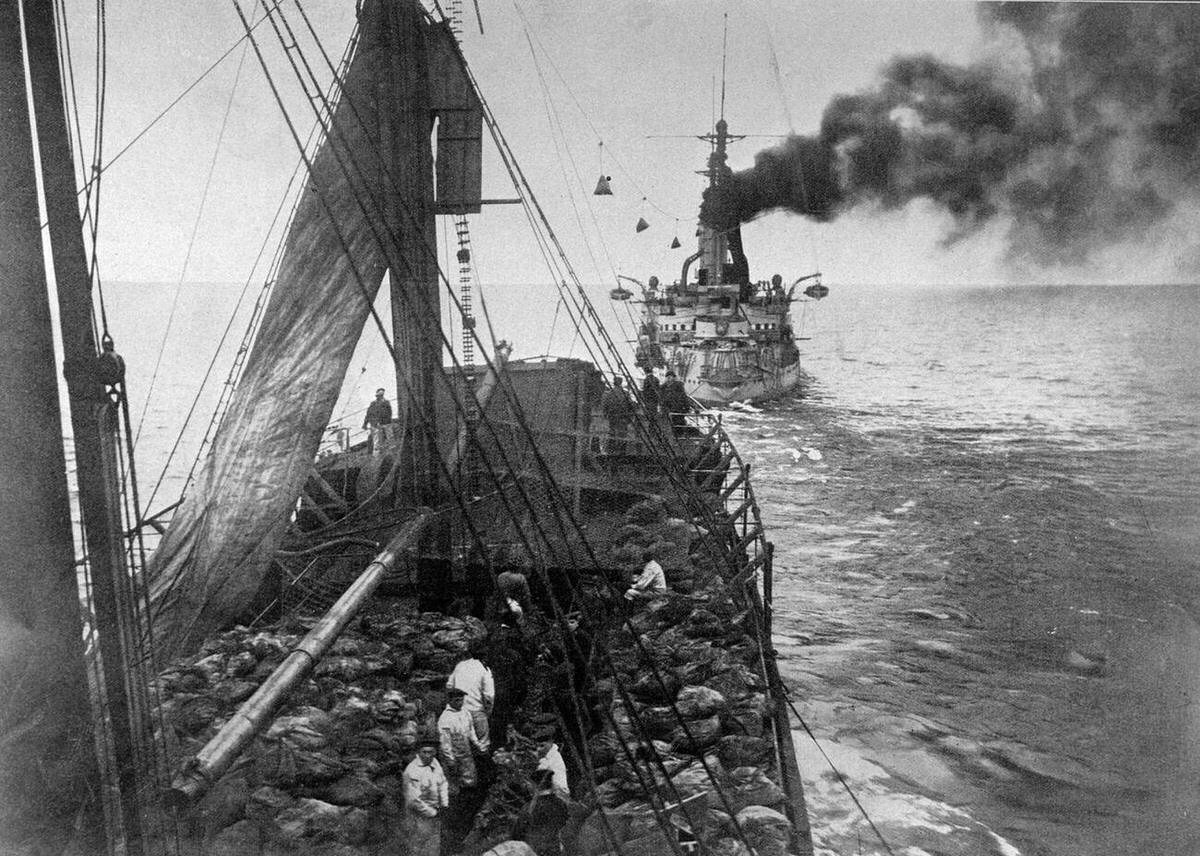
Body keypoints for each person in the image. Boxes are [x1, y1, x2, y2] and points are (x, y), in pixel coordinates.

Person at [403, 737, 448, 856]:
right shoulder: (412, 771)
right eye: (425, 752)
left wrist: (444, 804)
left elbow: (442, 782)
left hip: (435, 810)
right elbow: (413, 800)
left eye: (431, 752)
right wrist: (433, 813)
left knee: (434, 844)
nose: (428, 755)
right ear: (418, 752)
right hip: (419, 816)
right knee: (418, 845)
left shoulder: (435, 763)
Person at [446, 643, 495, 750]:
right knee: (482, 745)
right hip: (476, 711)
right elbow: (489, 696)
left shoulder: (460, 666)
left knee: (460, 746)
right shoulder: (484, 669)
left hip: (459, 711)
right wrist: (488, 712)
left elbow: (449, 685)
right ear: (485, 656)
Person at [511, 769, 571, 856]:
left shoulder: (529, 807)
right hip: (557, 849)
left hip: (536, 851)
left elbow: (517, 835)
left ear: (534, 786)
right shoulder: (561, 803)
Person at [438, 687, 486, 790]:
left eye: (461, 700)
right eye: (456, 700)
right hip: (453, 757)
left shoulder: (465, 712)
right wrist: (450, 760)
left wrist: (478, 745)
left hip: (466, 754)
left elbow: (471, 731)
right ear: (450, 701)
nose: (460, 703)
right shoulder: (445, 718)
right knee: (453, 784)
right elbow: (445, 743)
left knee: (470, 781)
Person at [599, 377, 634, 454]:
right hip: (623, 417)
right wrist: (630, 417)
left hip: (612, 417)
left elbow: (605, 406)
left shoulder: (609, 393)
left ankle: (611, 450)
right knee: (623, 435)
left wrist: (606, 415)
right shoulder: (626, 393)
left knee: (612, 433)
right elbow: (631, 405)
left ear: (614, 383)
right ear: (621, 383)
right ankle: (622, 452)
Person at [534, 733, 569, 799]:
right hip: (553, 793)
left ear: (550, 742)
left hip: (556, 795)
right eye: (537, 746)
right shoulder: (550, 756)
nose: (538, 749)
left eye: (542, 746)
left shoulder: (552, 759)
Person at [659, 370, 693, 435]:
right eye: (667, 377)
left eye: (670, 377)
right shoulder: (663, 387)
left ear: (673, 377)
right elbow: (661, 398)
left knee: (678, 425)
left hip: (677, 409)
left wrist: (687, 407)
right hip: (667, 409)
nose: (669, 378)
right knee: (669, 425)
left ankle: (678, 437)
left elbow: (684, 397)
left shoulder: (678, 386)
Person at [362, 387, 393, 454]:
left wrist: (389, 421)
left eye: (381, 395)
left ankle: (392, 451)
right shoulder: (373, 404)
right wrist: (365, 424)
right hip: (376, 424)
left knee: (390, 438)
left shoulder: (387, 402)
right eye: (379, 395)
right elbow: (368, 414)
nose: (380, 396)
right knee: (377, 441)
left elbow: (390, 412)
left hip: (386, 423)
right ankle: (377, 454)